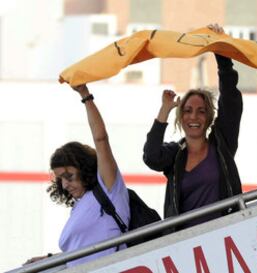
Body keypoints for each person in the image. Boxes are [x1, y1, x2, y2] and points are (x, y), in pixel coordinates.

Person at [143, 24, 243, 229]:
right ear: (181, 117)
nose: (194, 117)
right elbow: (151, 157)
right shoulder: (174, 154)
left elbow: (231, 101)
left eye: (201, 111)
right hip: (186, 247)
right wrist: (164, 110)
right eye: (187, 111)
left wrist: (220, 51)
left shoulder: (222, 144)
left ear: (209, 117)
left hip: (227, 235)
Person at [24, 84, 130, 267]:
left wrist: (85, 95)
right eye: (60, 179)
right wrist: (51, 259)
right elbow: (82, 253)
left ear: (84, 169)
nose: (64, 185)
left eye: (69, 176)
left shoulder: (108, 186)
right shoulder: (80, 206)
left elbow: (101, 139)